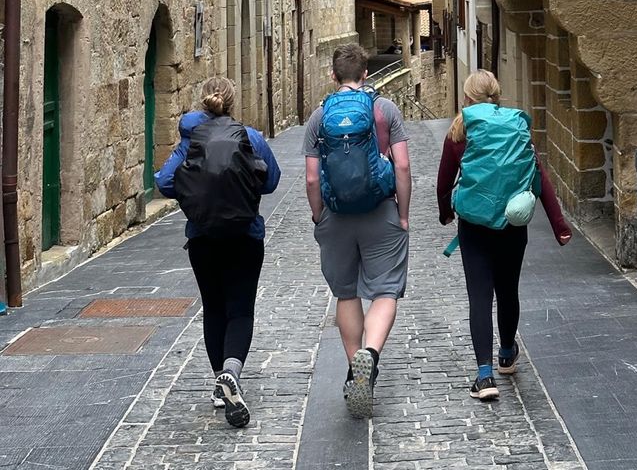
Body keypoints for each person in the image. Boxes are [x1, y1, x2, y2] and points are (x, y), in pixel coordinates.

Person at [436, 70, 570, 402]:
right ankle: (507, 353)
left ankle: (484, 376)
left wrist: (445, 212)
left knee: (480, 297)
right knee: (508, 290)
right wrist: (559, 226)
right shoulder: (516, 128)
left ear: (466, 99)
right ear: (497, 95)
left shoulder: (459, 131)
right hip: (513, 224)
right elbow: (540, 177)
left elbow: (443, 181)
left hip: (474, 226)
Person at [156, 76, 281, 428]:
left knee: (213, 308)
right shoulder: (250, 136)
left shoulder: (189, 140)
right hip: (245, 234)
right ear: (232, 101)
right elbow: (271, 180)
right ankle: (232, 372)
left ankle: (218, 383)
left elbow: (164, 182)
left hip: (202, 236)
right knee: (240, 310)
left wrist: (191, 184)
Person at [303, 43, 411, 419]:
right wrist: (403, 215)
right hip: (380, 209)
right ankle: (372, 355)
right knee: (385, 289)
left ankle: (354, 368)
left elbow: (313, 177)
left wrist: (319, 217)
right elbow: (403, 167)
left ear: (333, 76)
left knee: (345, 292)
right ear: (366, 74)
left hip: (335, 215)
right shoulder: (385, 110)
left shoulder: (320, 116)